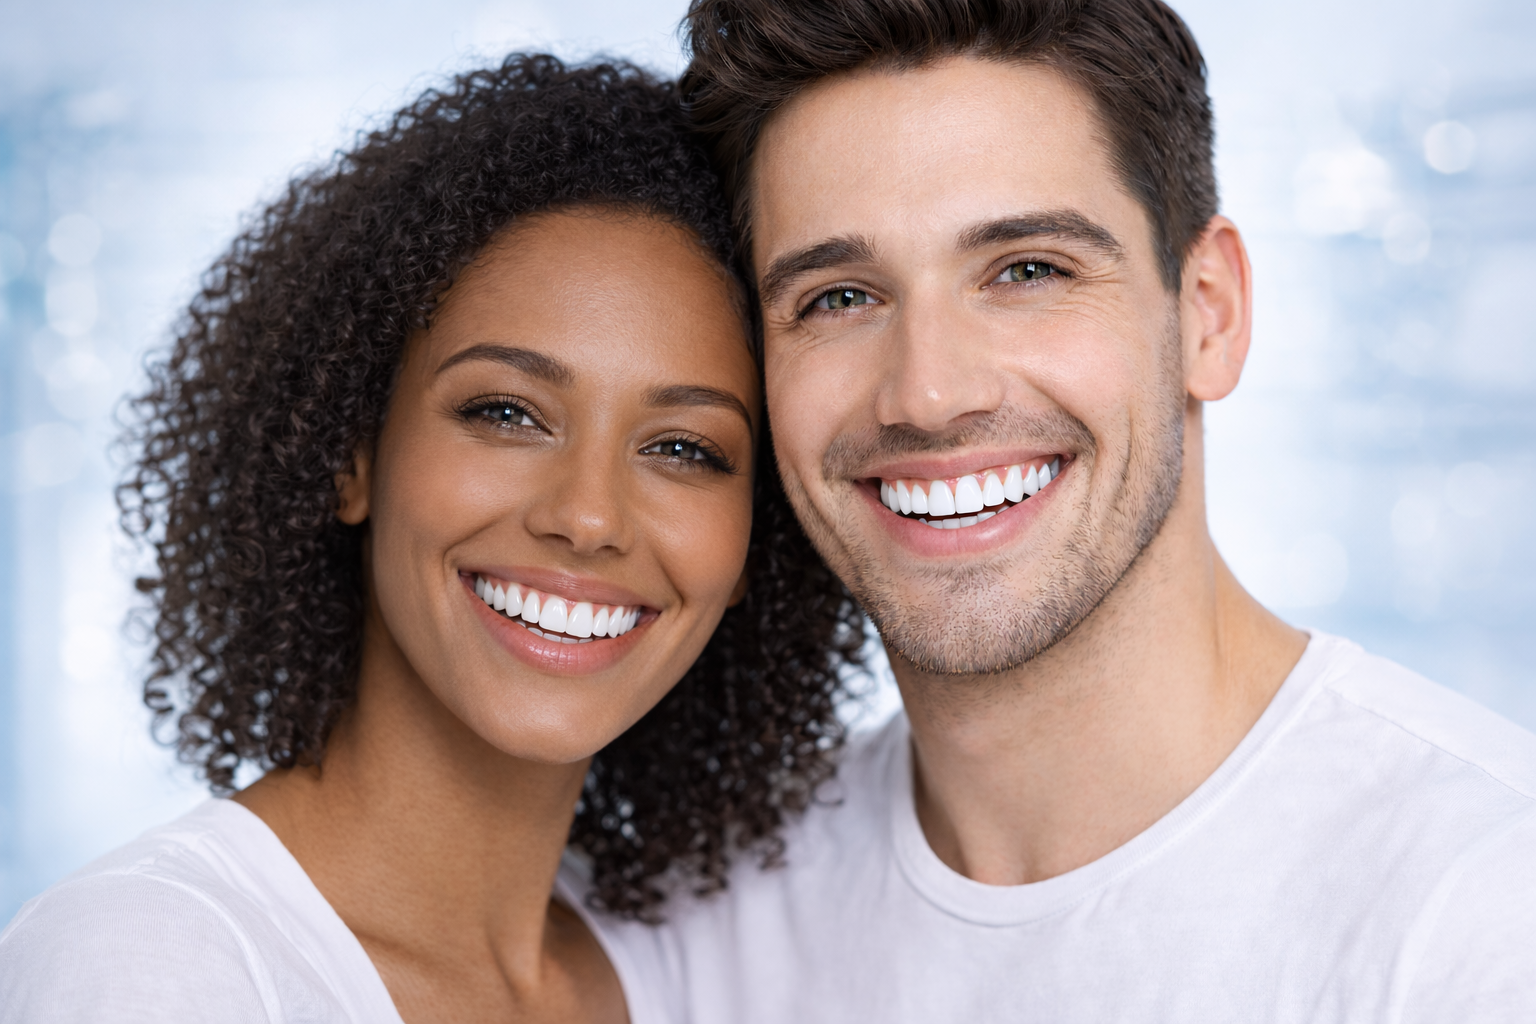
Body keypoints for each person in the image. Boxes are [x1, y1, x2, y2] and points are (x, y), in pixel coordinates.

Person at [581, 1, 1536, 1020]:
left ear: (1208, 311)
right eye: (839, 297)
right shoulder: (691, 925)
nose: (928, 393)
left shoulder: (1478, 913)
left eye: (1029, 270)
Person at [0, 55, 863, 1023]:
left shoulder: (692, 967)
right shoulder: (151, 968)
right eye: (505, 411)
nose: (587, 516)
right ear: (351, 453)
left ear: (757, 538)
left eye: (683, 447)